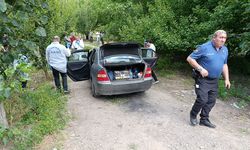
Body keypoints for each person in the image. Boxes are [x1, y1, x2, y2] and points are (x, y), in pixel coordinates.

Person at [186, 30, 231, 128]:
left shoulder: (225, 50)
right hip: (202, 79)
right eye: (221, 37)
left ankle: (204, 119)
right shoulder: (204, 47)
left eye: (224, 38)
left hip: (215, 80)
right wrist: (200, 69)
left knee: (211, 101)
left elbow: (224, 64)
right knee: (202, 99)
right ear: (214, 38)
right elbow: (190, 58)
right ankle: (193, 115)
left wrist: (227, 79)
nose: (223, 40)